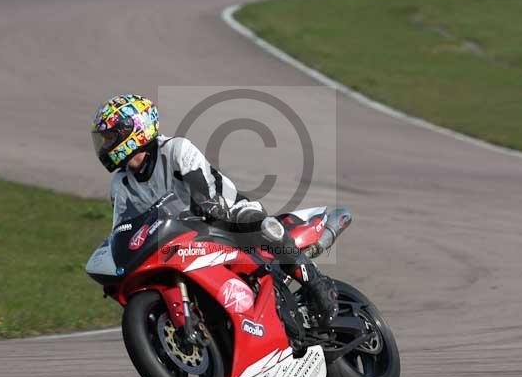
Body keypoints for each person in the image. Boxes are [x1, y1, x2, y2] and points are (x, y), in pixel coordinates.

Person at [91, 94, 338, 328]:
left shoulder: (176, 149)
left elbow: (205, 194)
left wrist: (201, 209)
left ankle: (316, 284)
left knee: (262, 226)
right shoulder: (120, 185)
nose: (106, 146)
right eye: (105, 140)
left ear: (136, 129)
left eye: (111, 137)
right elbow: (124, 229)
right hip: (177, 240)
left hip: (224, 215)